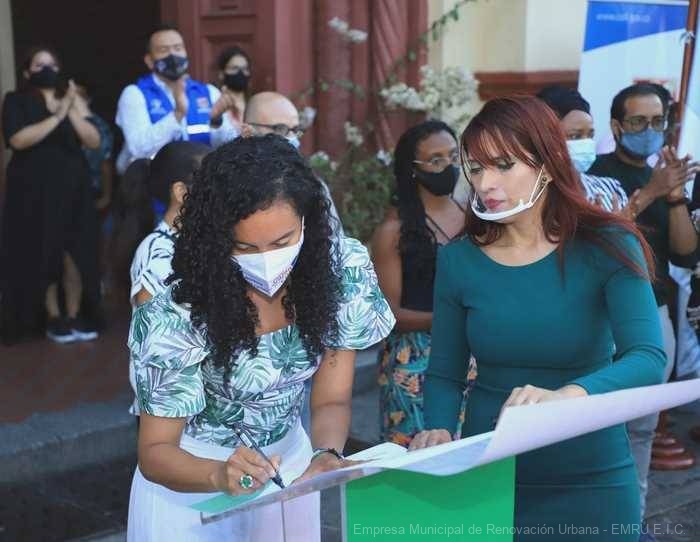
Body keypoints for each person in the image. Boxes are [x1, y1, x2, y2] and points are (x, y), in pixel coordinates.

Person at [411, 96, 666, 540]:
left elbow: (647, 356)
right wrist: (437, 429)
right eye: (476, 168)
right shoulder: (459, 260)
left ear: (547, 164)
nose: (485, 182)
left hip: (593, 475)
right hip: (491, 471)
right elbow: (446, 373)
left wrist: (569, 394)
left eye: (504, 165)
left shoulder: (608, 244)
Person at [126, 135, 395, 541]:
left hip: (293, 473)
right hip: (192, 486)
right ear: (217, 238)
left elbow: (332, 399)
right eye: (245, 246)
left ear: (307, 223)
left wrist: (326, 453)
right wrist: (219, 474)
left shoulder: (340, 272)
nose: (267, 260)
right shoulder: (178, 304)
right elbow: (155, 452)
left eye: (282, 242)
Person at [587, 83, 700, 531]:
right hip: (601, 320)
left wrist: (674, 197)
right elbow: (598, 236)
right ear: (616, 127)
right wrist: (652, 191)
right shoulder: (596, 175)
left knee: (642, 429)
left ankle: (629, 525)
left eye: (658, 121)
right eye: (638, 121)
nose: (649, 130)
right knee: (600, 430)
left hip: (654, 314)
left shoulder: (664, 179)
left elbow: (686, 255)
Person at [371, 120, 472, 446]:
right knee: (420, 453)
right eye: (435, 160)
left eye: (453, 156)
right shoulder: (393, 231)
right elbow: (389, 315)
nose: (448, 166)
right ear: (413, 169)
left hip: (473, 353)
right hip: (414, 362)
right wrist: (451, 317)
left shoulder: (474, 217)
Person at [1, 46, 102, 345]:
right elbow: (18, 140)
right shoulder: (16, 100)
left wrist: (70, 108)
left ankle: (74, 314)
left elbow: (94, 140)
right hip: (33, 191)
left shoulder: (70, 99)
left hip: (74, 189)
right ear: (26, 72)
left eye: (51, 64)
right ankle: (52, 316)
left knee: (75, 251)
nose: (46, 69)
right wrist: (57, 116)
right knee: (43, 249)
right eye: (39, 65)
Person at [111, 141, 210, 415]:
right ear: (181, 192)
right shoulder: (159, 256)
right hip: (171, 414)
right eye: (213, 183)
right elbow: (160, 352)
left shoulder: (194, 243)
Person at [115, 24, 239, 175]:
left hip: (201, 182)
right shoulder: (134, 94)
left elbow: (228, 146)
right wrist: (177, 114)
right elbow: (139, 149)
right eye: (164, 50)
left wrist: (216, 121)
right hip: (154, 182)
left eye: (178, 48)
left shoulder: (208, 92)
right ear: (149, 60)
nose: (173, 55)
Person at [536, 85, 629, 213]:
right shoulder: (533, 198)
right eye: (575, 136)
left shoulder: (611, 189)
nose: (586, 143)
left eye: (590, 135)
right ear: (545, 139)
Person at [216, 45, 251, 132]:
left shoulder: (253, 103)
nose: (240, 73)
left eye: (245, 69)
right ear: (221, 73)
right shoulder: (215, 102)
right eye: (234, 68)